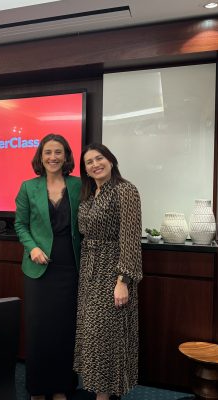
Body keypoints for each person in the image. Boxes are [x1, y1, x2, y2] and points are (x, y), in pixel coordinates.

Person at [14, 133, 82, 400]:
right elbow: (20, 224)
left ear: (66, 156)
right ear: (40, 158)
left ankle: (62, 387)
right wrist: (32, 247)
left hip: (70, 265)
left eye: (58, 152)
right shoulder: (28, 187)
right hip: (38, 267)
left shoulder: (79, 185)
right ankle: (38, 388)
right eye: (47, 153)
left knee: (66, 329)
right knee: (39, 329)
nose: (53, 157)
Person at [74, 143, 143, 400]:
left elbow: (130, 238)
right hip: (89, 272)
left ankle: (105, 395)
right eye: (89, 162)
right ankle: (99, 393)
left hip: (113, 273)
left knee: (108, 337)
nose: (95, 164)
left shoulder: (125, 190)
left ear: (111, 160)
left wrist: (123, 280)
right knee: (92, 338)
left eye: (99, 158)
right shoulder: (91, 194)